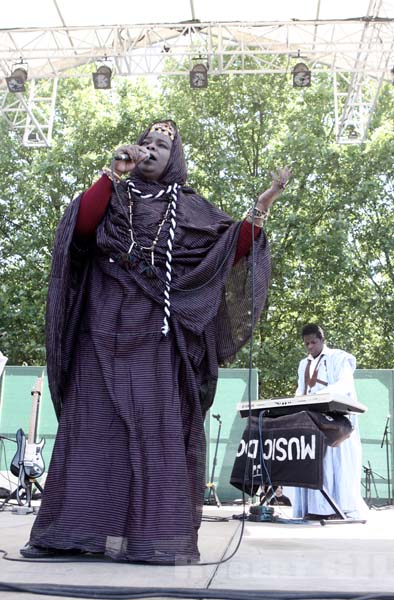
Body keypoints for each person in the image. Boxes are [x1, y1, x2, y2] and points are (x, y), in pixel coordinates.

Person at [21, 119, 291, 563]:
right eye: (145, 142)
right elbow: (83, 230)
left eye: (161, 145)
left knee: (155, 433)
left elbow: (232, 249)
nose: (149, 149)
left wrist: (262, 205)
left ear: (174, 159)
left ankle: (155, 540)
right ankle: (66, 534)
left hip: (157, 338)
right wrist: (113, 172)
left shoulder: (191, 207)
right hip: (101, 329)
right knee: (90, 431)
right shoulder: (114, 193)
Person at [289, 323, 368, 520]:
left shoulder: (339, 358)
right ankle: (313, 509)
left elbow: (344, 384)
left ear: (323, 340)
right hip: (311, 420)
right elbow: (301, 390)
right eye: (306, 344)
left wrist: (320, 397)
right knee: (312, 462)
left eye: (313, 342)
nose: (310, 347)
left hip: (336, 422)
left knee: (335, 466)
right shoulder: (303, 364)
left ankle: (335, 509)